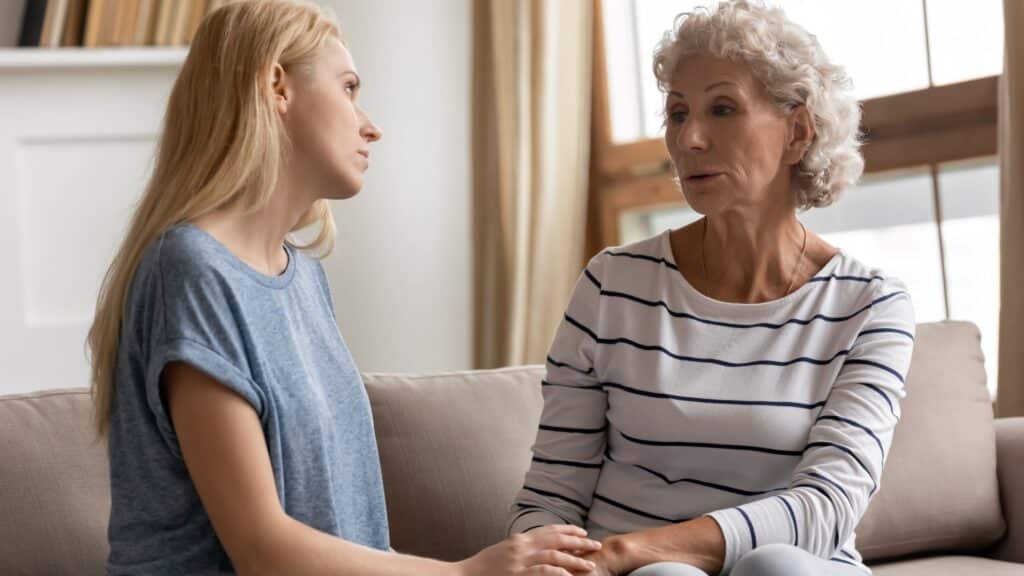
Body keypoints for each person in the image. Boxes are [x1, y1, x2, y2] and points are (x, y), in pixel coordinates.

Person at [86, 1, 600, 574]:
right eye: (348, 87)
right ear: (276, 85)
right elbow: (261, 549)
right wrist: (465, 572)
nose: (371, 125)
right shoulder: (190, 269)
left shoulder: (303, 278)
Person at [508, 2, 915, 575]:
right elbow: (552, 494)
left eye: (722, 109)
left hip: (784, 567)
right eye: (677, 114)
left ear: (798, 131)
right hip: (629, 574)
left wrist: (633, 548)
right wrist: (557, 561)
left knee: (778, 568)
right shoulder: (613, 284)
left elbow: (828, 506)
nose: (689, 138)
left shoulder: (870, 306)